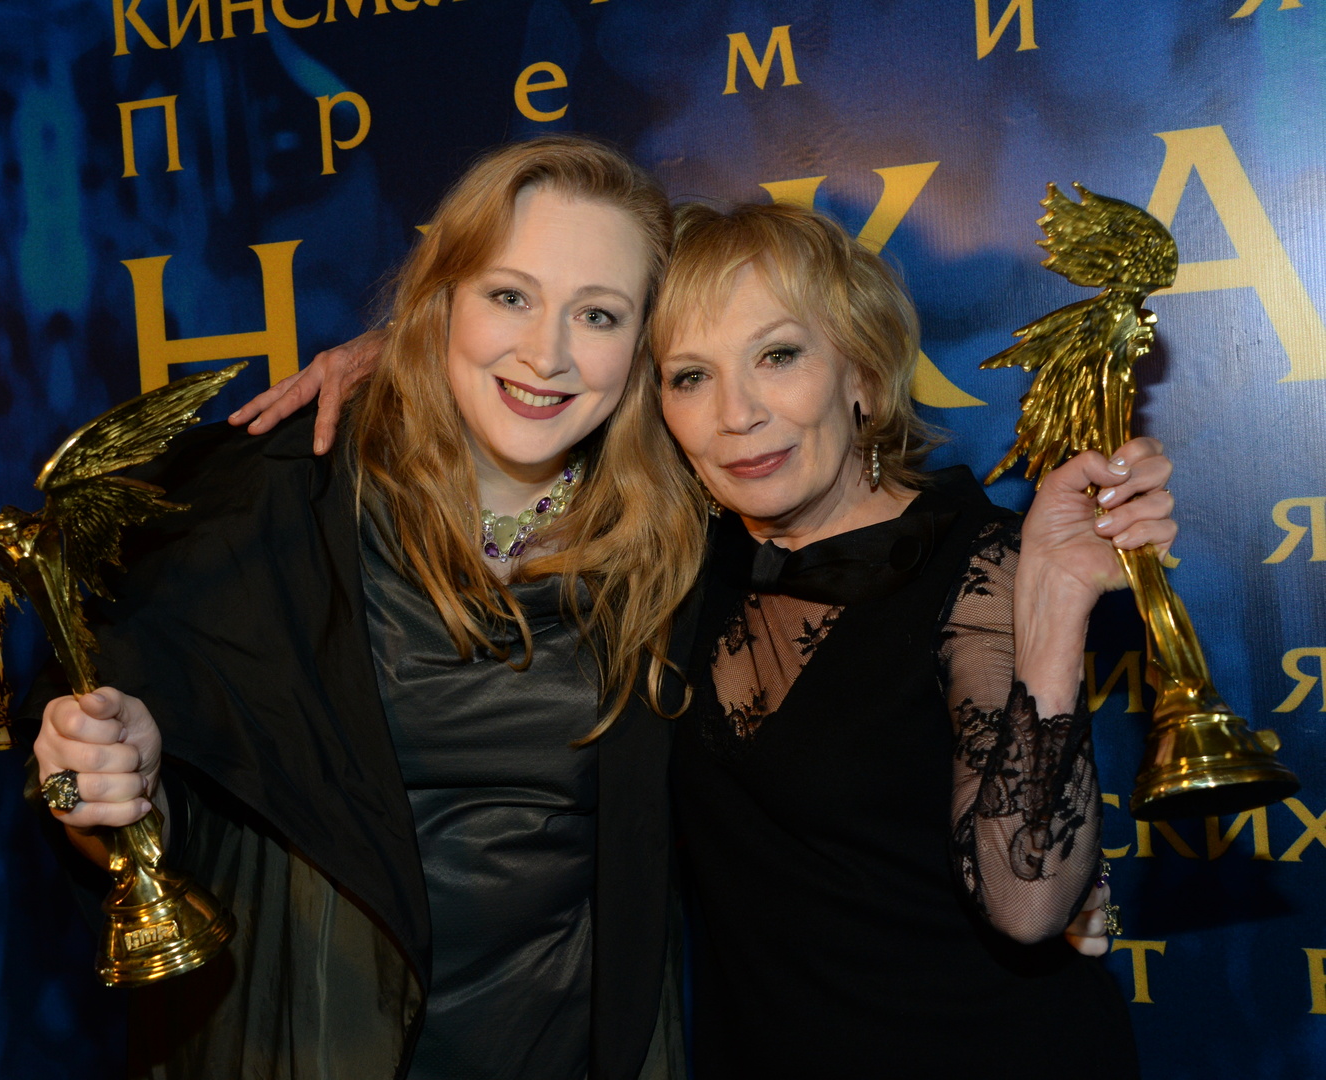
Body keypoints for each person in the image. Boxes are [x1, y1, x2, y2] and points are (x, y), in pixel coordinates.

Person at [234, 200, 1170, 1076]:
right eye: (690, 377)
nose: (736, 414)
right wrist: (400, 348)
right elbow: (557, 353)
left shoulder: (980, 563)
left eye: (778, 356)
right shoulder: (678, 563)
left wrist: (1052, 610)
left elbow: (1028, 903)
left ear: (861, 373)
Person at [30, 136, 709, 1080]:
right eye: (509, 296)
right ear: (441, 297)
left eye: (597, 314)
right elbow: (139, 814)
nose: (545, 353)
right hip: (301, 1043)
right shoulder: (279, 501)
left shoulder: (678, 538)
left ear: (644, 346)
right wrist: (99, 788)